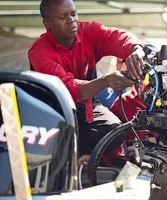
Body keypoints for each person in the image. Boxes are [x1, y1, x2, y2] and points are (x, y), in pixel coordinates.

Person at [28, 0, 145, 166]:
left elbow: (116, 36)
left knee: (116, 132)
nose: (71, 20)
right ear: (47, 23)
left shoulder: (89, 31)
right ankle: (77, 159)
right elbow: (68, 89)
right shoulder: (39, 52)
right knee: (58, 149)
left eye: (74, 14)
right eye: (63, 17)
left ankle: (88, 156)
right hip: (55, 112)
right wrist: (106, 81)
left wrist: (136, 49)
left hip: (89, 106)